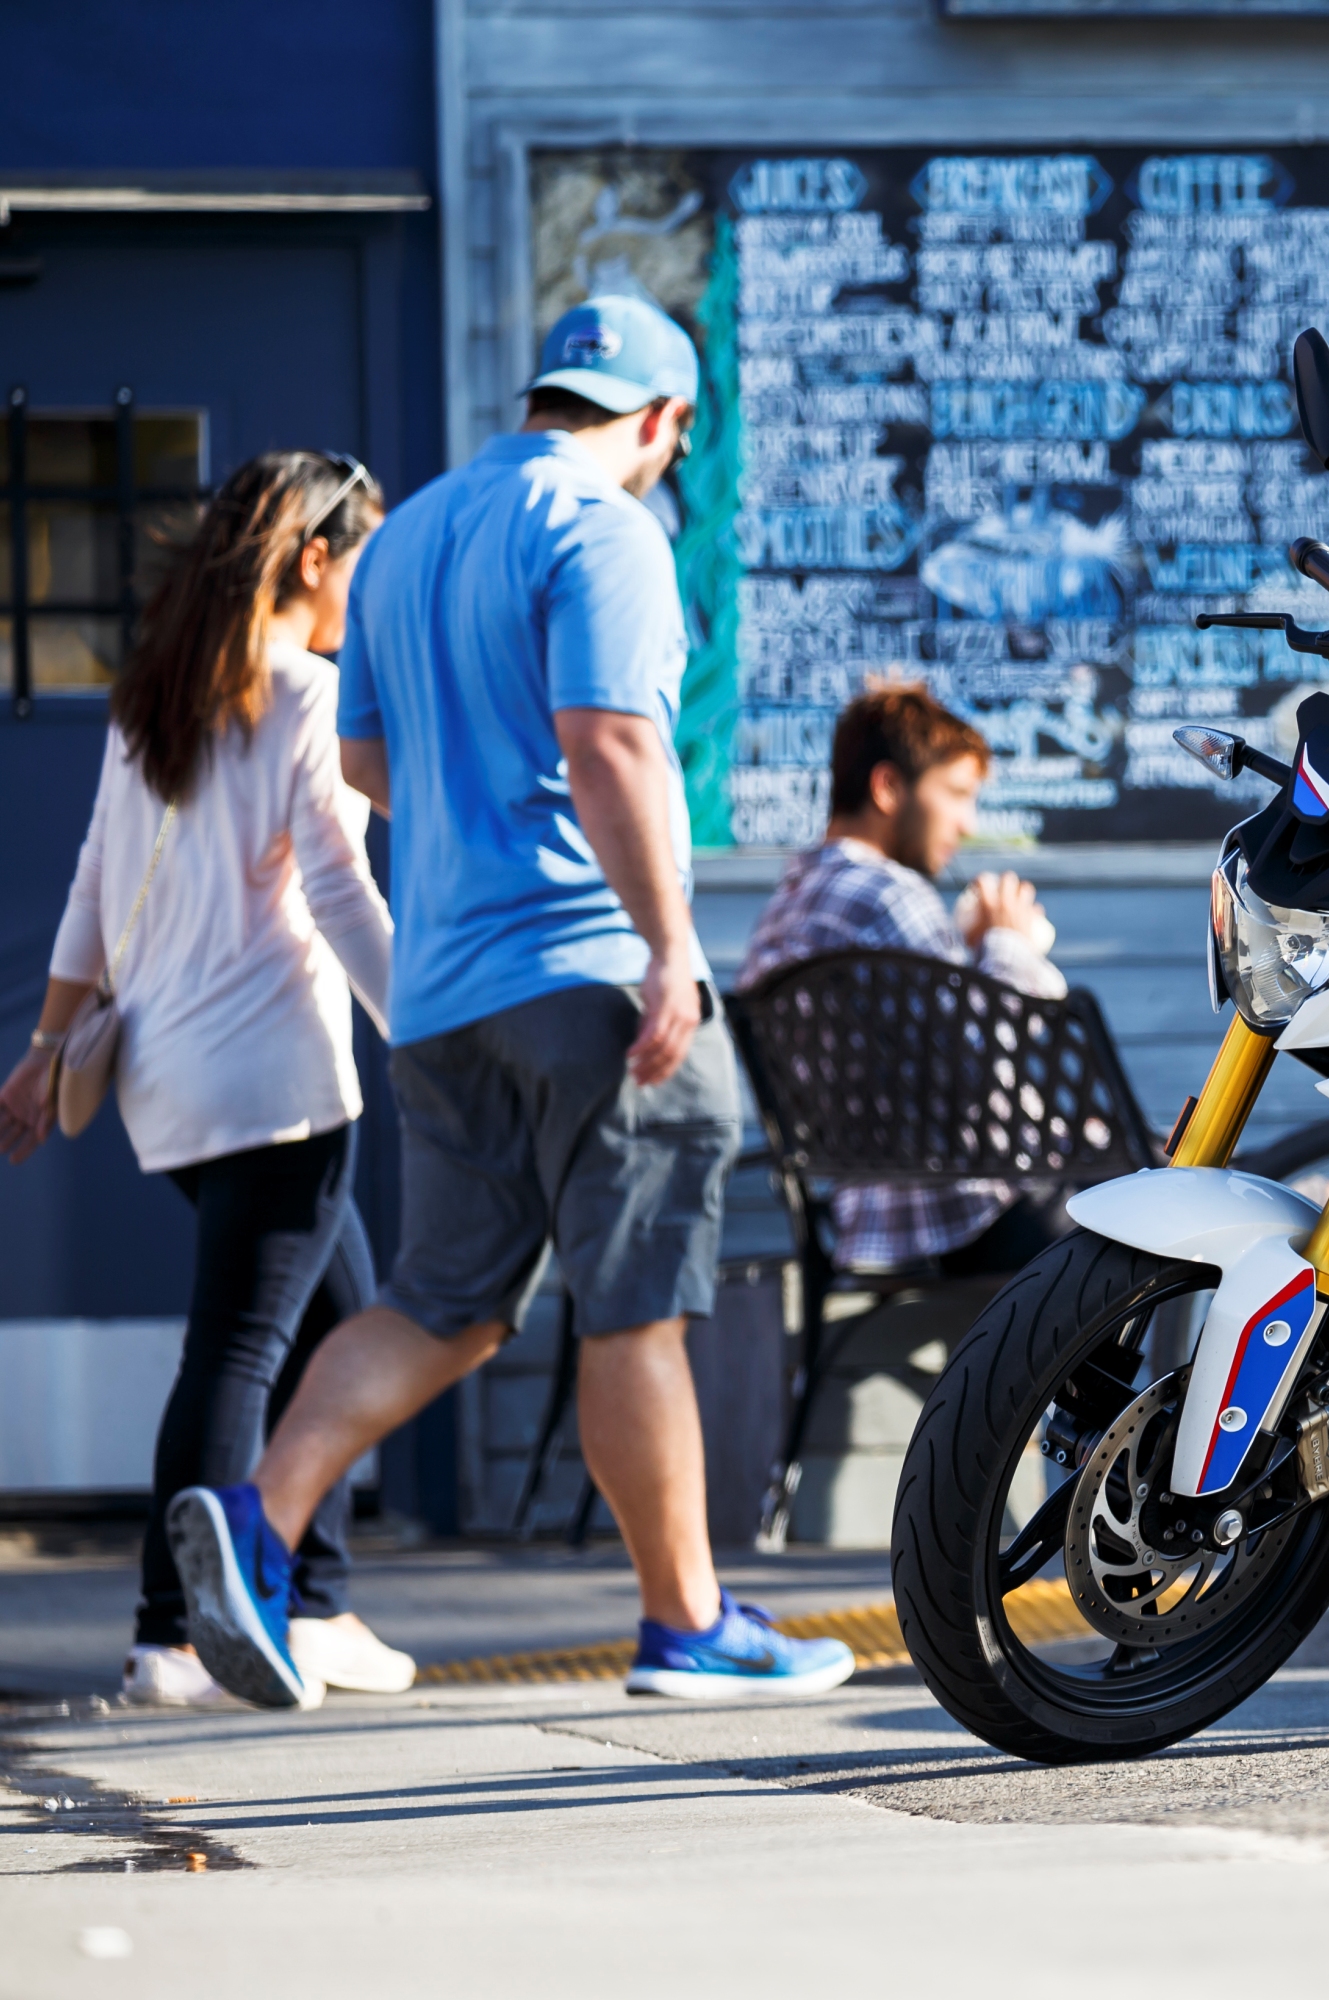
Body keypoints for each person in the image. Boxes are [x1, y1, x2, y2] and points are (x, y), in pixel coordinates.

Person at [165, 296, 851, 1706]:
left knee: (445, 1301)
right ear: (659, 421)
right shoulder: (606, 530)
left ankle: (257, 1521)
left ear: (549, 393)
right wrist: (668, 947)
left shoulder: (405, 535)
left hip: (441, 987)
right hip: (587, 969)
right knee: (636, 1300)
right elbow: (607, 742)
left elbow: (364, 759)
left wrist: (477, 824)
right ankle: (687, 1624)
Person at [0, 452, 415, 1707]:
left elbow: (89, 882)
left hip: (169, 1085)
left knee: (343, 1326)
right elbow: (339, 888)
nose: (368, 589)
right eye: (363, 560)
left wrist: (40, 1047)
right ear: (311, 559)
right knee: (240, 1349)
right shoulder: (302, 691)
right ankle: (169, 1630)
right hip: (277, 1083)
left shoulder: (159, 696)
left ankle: (319, 1599)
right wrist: (433, 1024)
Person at [737, 682, 1071, 1275]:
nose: (967, 823)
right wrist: (1012, 946)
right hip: (966, 1214)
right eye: (957, 793)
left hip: (866, 1219)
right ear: (889, 787)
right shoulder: (891, 896)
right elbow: (988, 1070)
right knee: (1158, 1187)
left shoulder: (786, 905)